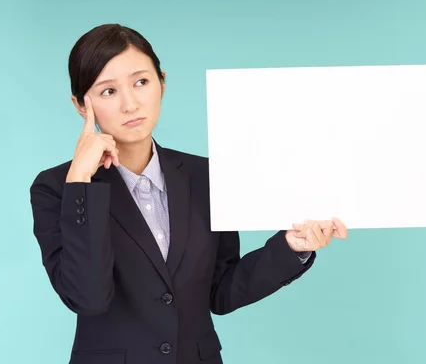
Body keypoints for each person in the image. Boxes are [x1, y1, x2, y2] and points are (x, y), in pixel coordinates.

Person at [29, 23, 349, 364]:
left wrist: (291, 248)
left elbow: (221, 291)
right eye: (108, 91)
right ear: (81, 105)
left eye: (141, 82)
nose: (130, 103)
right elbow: (88, 297)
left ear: (162, 83)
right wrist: (80, 180)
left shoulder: (207, 176)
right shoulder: (57, 188)